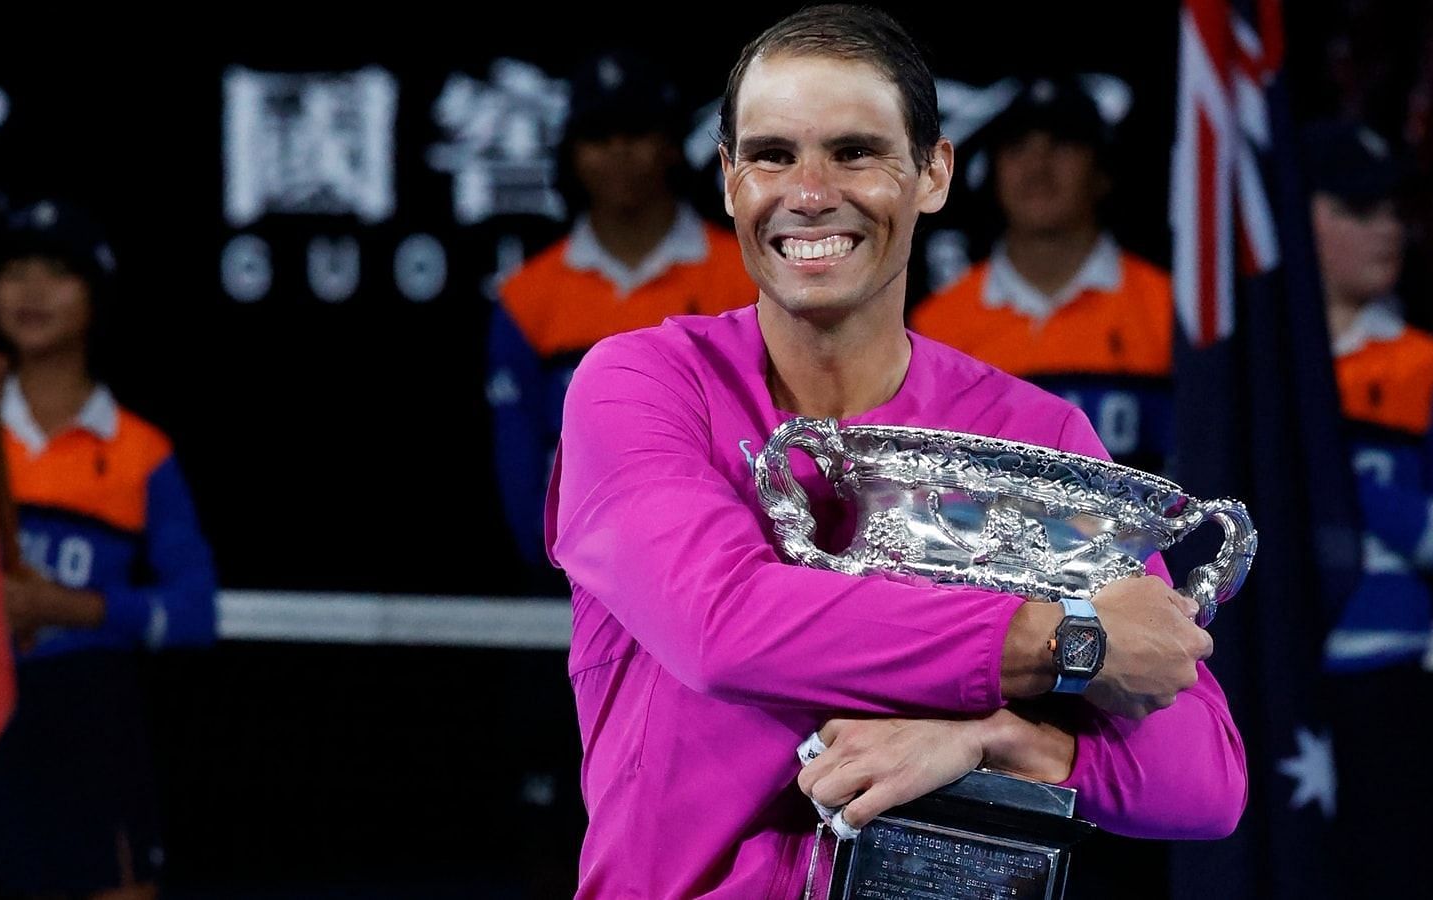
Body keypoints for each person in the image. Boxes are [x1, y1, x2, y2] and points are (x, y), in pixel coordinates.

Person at [546, 6, 1244, 897]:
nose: (808, 192)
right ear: (728, 182)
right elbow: (720, 626)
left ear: (934, 173)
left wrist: (989, 739)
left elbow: (1207, 779)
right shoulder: (641, 386)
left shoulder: (1034, 434)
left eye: (854, 152)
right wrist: (1065, 642)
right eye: (770, 155)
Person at [0, 199, 218, 898]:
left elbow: (194, 612)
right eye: (13, 270)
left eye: (57, 273)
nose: (29, 291)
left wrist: (70, 608)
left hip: (91, 719)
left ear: (96, 294)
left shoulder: (139, 451)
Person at [1302, 120, 1433, 898]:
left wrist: (1354, 492)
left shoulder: (1428, 367)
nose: (1387, 229)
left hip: (1387, 689)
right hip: (1263, 682)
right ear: (1302, 218)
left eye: (1393, 210)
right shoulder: (1241, 375)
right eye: (1359, 210)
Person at [487, 48, 755, 567]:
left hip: (717, 570)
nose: (618, 153)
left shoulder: (744, 278)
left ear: (671, 145)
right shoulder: (527, 296)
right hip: (575, 576)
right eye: (598, 137)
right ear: (571, 153)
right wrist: (549, 569)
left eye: (637, 133)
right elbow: (519, 462)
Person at [909, 74, 1173, 475]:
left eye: (1063, 144)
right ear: (991, 173)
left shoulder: (1168, 311)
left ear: (1103, 172)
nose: (1038, 165)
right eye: (1016, 148)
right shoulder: (937, 324)